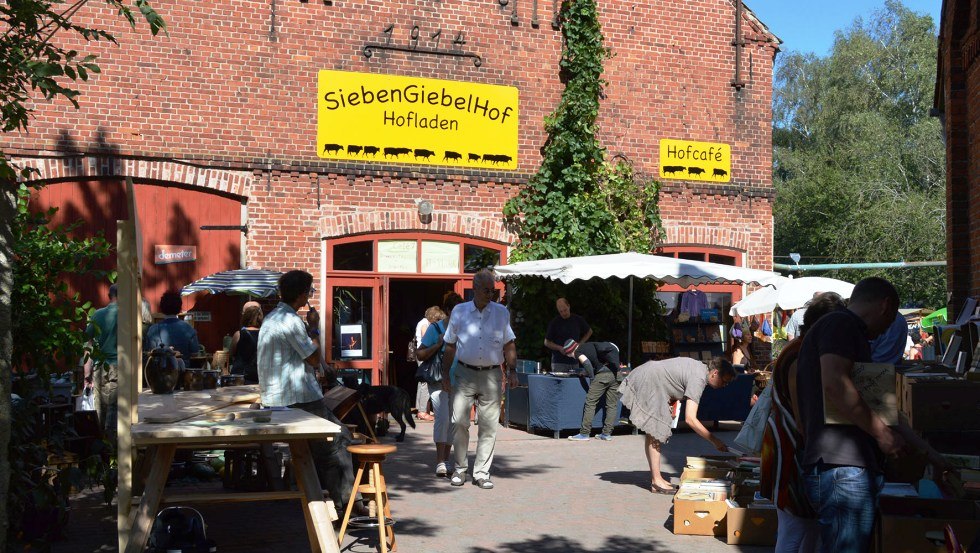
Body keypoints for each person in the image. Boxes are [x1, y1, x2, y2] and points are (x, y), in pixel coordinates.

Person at [795, 277, 905, 553]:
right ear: (885, 306)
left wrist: (928, 452)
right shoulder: (841, 325)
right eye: (892, 318)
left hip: (843, 468)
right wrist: (882, 435)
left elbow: (877, 403)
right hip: (842, 469)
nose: (887, 329)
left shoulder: (844, 328)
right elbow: (834, 383)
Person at [257, 269, 355, 513]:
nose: (310, 295)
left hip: (277, 397)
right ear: (302, 294)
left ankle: (327, 497)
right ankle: (348, 504)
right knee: (339, 437)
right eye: (310, 291)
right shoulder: (290, 321)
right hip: (296, 398)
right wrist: (315, 328)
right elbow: (312, 358)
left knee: (322, 445)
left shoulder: (272, 317)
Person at [760, 292, 847, 553]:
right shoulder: (799, 354)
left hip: (791, 449)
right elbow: (801, 417)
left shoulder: (801, 349)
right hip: (790, 452)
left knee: (806, 528)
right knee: (794, 529)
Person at [441, 270, 518, 490]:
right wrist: (445, 375)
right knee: (458, 421)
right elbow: (450, 345)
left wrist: (512, 370)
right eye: (487, 290)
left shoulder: (501, 312)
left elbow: (509, 343)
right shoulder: (460, 311)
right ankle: (460, 469)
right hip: (464, 373)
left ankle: (482, 472)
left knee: (488, 426)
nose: (491, 295)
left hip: (492, 374)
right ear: (474, 289)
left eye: (493, 291)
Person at [619, 357, 736, 494]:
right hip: (650, 380)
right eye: (724, 381)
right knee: (655, 431)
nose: (724, 385)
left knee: (654, 432)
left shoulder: (700, 369)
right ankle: (656, 481)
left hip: (650, 376)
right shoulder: (698, 379)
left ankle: (657, 479)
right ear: (715, 373)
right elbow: (690, 419)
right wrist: (715, 441)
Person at [417, 293, 464, 476]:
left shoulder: (464, 329)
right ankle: (439, 461)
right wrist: (438, 344)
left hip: (459, 380)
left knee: (454, 421)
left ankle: (446, 459)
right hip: (438, 381)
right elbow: (420, 354)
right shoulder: (436, 328)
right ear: (448, 311)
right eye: (456, 311)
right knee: (442, 418)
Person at [565, 340, 623, 442]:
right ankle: (606, 434)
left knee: (590, 403)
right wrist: (586, 372)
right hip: (616, 374)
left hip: (602, 376)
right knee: (612, 405)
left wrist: (592, 379)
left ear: (570, 351)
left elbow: (587, 363)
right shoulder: (588, 346)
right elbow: (595, 361)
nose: (570, 357)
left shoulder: (578, 351)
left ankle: (584, 433)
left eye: (568, 355)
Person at [85, 283, 119, 438]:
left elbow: (88, 344)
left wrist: (87, 373)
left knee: (100, 409)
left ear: (109, 296)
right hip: (120, 366)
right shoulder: (128, 314)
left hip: (100, 366)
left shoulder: (97, 315)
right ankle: (114, 450)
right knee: (115, 408)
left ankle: (101, 451)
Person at [144, 291, 200, 363]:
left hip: (160, 371)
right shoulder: (189, 329)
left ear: (162, 307)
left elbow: (149, 352)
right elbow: (195, 354)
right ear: (179, 307)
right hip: (184, 370)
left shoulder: (154, 329)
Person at [544, 298, 592, 372]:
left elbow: (589, 331)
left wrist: (580, 344)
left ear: (569, 306)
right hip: (559, 362)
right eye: (561, 311)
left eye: (565, 310)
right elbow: (546, 342)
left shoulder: (577, 319)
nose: (564, 313)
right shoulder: (555, 322)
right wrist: (559, 348)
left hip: (574, 360)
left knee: (574, 382)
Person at [414, 306, 444, 422]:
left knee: (423, 383)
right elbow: (427, 339)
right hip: (425, 356)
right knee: (426, 383)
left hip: (424, 356)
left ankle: (422, 408)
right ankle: (422, 411)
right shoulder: (425, 324)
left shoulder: (422, 322)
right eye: (437, 319)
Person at [229, 303, 264, 384]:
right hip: (257, 375)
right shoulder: (265, 335)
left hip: (239, 375)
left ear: (245, 318)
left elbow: (231, 353)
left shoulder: (238, 334)